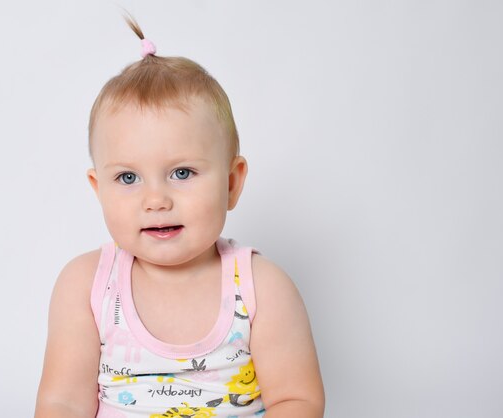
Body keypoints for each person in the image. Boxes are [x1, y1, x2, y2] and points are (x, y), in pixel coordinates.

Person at [34, 15, 324, 418]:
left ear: (231, 183)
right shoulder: (87, 287)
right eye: (128, 177)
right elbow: (62, 402)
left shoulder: (262, 288)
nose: (156, 200)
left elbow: (298, 401)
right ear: (99, 190)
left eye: (182, 173)